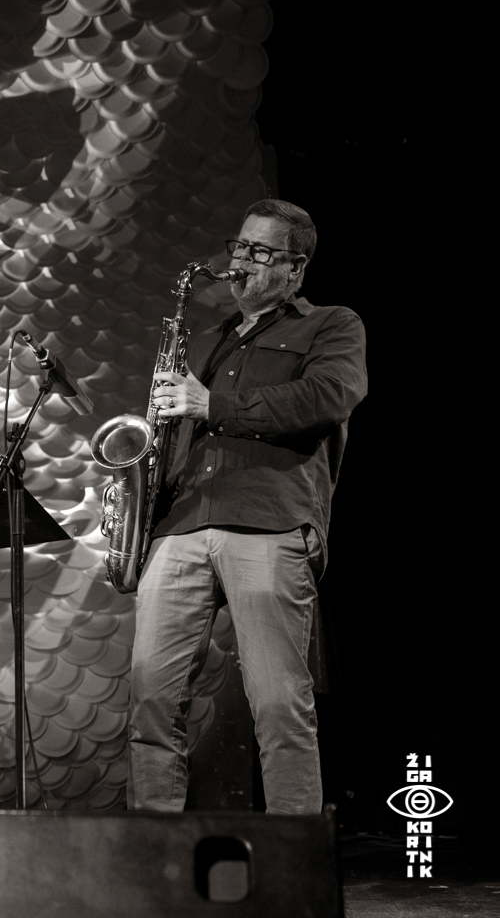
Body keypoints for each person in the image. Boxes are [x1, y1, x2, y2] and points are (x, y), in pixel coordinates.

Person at [128, 198, 367, 814]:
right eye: (239, 247)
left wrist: (216, 407)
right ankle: (150, 860)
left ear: (296, 267)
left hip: (268, 521)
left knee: (279, 701)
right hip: (181, 525)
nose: (241, 263)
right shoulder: (205, 341)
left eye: (260, 252)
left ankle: (296, 866)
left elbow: (330, 396)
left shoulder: (331, 325)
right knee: (152, 698)